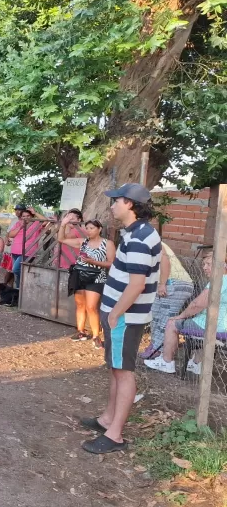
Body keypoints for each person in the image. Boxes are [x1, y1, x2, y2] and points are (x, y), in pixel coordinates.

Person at [79, 183, 160, 454]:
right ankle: (107, 420)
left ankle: (115, 435)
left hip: (124, 317)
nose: (112, 205)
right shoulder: (138, 233)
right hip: (121, 315)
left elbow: (136, 284)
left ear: (130, 204)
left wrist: (114, 313)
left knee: (124, 372)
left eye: (116, 201)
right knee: (116, 368)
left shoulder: (139, 238)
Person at [144, 250, 226, 375]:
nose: (205, 268)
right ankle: (197, 363)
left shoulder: (219, 281)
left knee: (172, 323)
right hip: (220, 325)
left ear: (223, 265)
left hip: (212, 325)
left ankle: (166, 362)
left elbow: (197, 305)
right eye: (204, 264)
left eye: (209, 264)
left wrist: (181, 316)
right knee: (193, 322)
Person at [58, 216, 115, 348]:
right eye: (87, 228)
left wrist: (93, 262)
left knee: (91, 307)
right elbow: (61, 239)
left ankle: (96, 336)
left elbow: (111, 263)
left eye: (92, 228)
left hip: (96, 277)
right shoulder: (83, 242)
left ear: (99, 229)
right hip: (79, 275)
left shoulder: (107, 244)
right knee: (80, 305)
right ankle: (81, 331)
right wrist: (63, 224)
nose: (89, 231)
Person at [139, 242, 195, 359]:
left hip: (175, 283)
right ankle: (155, 345)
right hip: (163, 284)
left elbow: (165, 262)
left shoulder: (152, 243)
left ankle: (160, 352)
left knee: (165, 318)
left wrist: (163, 284)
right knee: (155, 316)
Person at [8, 205, 48, 289]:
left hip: (28, 252)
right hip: (15, 251)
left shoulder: (36, 224)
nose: (25, 218)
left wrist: (35, 212)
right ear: (21, 217)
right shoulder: (18, 224)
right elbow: (11, 234)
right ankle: (19, 293)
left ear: (31, 216)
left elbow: (46, 221)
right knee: (17, 273)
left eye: (28, 216)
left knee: (16, 270)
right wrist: (20, 226)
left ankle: (26, 283)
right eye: (23, 216)